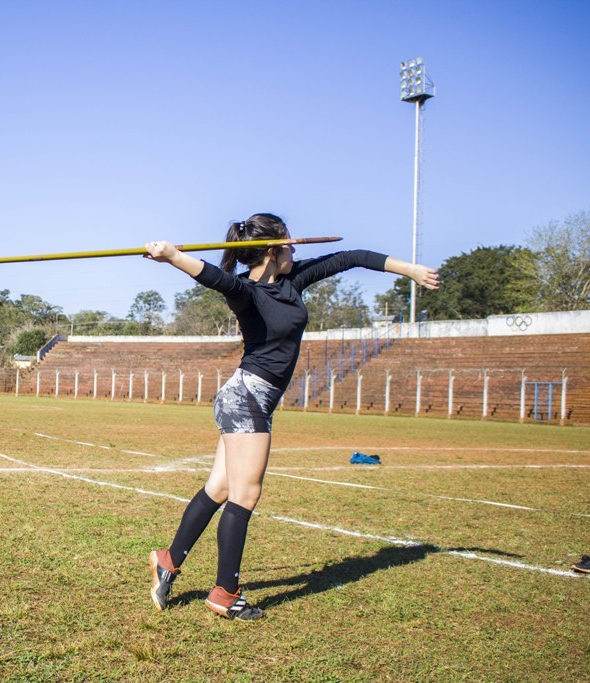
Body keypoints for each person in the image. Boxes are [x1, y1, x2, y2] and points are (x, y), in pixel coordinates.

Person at [144, 213, 439, 621]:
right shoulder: (245, 291)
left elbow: (350, 257)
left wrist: (409, 270)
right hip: (247, 398)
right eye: (288, 243)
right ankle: (226, 593)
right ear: (272, 249)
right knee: (244, 494)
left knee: (220, 486)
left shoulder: (292, 281)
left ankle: (168, 559)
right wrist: (172, 255)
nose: (296, 249)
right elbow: (213, 276)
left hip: (248, 398)